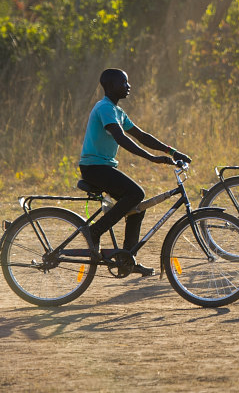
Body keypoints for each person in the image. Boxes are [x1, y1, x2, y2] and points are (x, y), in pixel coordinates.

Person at [79, 68, 190, 277]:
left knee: (137, 207)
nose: (128, 86)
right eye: (124, 83)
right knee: (136, 193)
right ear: (111, 86)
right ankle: (94, 231)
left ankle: (126, 259)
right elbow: (120, 137)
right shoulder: (105, 108)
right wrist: (152, 158)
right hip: (94, 168)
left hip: (103, 167)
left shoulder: (117, 111)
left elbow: (142, 136)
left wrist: (173, 152)